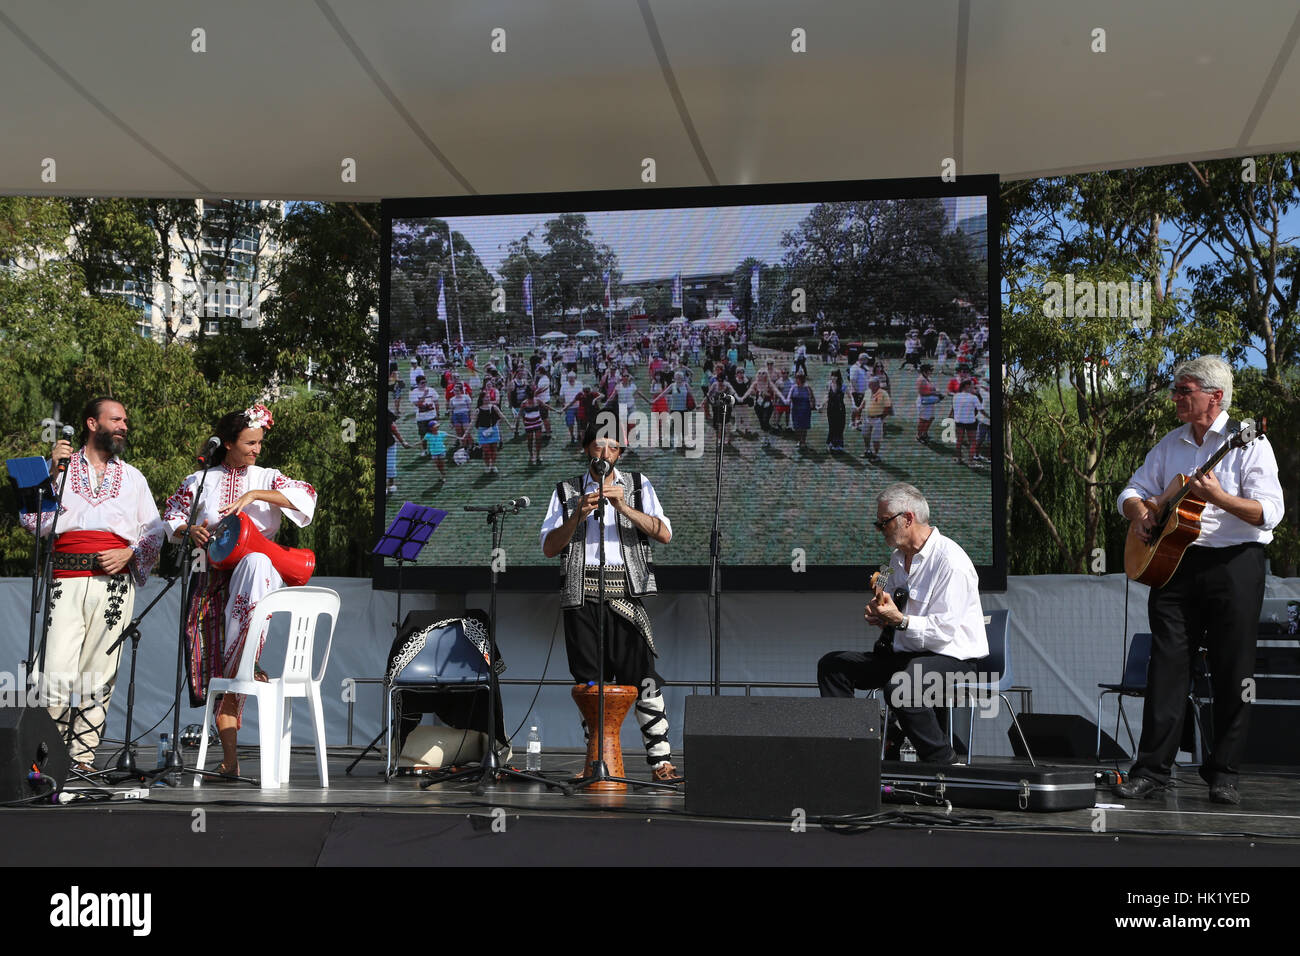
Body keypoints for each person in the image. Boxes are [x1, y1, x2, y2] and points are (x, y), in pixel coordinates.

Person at [1112, 356, 1284, 805]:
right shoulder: (1170, 444)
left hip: (1235, 564)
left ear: (1215, 396)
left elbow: (1271, 513)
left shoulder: (1250, 445)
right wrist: (1142, 513)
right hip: (1174, 563)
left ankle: (1223, 772)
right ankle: (1152, 770)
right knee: (1166, 667)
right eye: (1176, 390)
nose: (1175, 398)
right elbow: (1130, 491)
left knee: (1232, 671)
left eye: (1184, 391)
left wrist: (1219, 498)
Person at [161, 404, 317, 778]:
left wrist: (255, 496)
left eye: (260, 442)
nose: (256, 450)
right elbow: (171, 516)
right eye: (249, 443)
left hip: (257, 578)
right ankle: (229, 760)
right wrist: (190, 531)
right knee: (218, 671)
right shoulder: (201, 479)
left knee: (257, 563)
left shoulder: (268, 477)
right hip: (211, 580)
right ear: (228, 443)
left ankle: (249, 656)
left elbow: (307, 496)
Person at [24, 398, 164, 771]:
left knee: (98, 676)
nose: (124, 426)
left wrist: (131, 554)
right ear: (91, 422)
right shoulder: (60, 471)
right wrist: (48, 472)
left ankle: (82, 760)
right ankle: (44, 761)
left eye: (125, 420)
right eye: (116, 419)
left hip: (114, 583)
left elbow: (155, 531)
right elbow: (33, 524)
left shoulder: (133, 477)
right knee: (52, 672)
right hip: (66, 579)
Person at [539, 424, 681, 783]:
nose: (604, 453)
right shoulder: (566, 490)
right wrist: (577, 516)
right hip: (581, 597)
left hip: (625, 594)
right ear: (587, 449)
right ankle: (596, 762)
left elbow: (664, 533)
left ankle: (660, 761)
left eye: (611, 447)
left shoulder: (638, 484)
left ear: (620, 452)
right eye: (598, 446)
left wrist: (623, 506)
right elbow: (549, 547)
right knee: (591, 684)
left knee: (645, 680)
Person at [818, 483, 988, 764]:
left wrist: (900, 620)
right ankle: (851, 756)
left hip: (952, 658)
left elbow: (943, 632)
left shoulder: (952, 562)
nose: (879, 528)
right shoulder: (895, 559)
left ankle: (944, 764)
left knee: (901, 688)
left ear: (907, 519)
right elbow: (885, 595)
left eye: (883, 522)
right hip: (906, 654)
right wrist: (879, 613)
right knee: (833, 666)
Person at [856, 377, 892, 461]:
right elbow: (863, 403)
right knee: (865, 434)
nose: (869, 386)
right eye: (869, 385)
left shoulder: (884, 394)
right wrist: (859, 410)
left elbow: (888, 407)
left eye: (870, 385)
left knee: (876, 438)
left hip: (877, 419)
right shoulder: (868, 392)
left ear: (877, 385)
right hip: (867, 417)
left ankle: (876, 455)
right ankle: (867, 450)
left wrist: (881, 418)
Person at [951, 379, 982, 466]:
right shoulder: (974, 397)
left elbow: (954, 408)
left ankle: (959, 459)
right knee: (972, 442)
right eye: (972, 385)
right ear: (967, 386)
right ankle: (971, 462)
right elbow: (980, 409)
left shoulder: (956, 396)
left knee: (959, 441)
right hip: (970, 422)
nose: (974, 387)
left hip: (959, 422)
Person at [474, 391, 504, 474]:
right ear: (482, 398)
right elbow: (472, 423)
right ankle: (487, 466)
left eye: (488, 397)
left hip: (493, 430)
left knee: (494, 449)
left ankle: (493, 465)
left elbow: (502, 416)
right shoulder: (478, 410)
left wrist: (510, 425)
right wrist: (465, 434)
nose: (488, 398)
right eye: (486, 397)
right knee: (486, 451)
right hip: (483, 431)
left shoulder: (494, 407)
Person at [788, 371, 816, 453]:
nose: (798, 380)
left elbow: (812, 397)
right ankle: (799, 440)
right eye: (797, 378)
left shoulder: (807, 388)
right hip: (795, 409)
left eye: (800, 378)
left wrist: (813, 405)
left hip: (805, 410)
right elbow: (789, 398)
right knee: (796, 426)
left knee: (804, 426)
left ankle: (803, 441)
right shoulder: (793, 387)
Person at [824, 369, 847, 452]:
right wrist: (822, 405)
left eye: (835, 375)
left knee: (840, 426)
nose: (833, 377)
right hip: (830, 408)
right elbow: (826, 396)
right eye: (832, 375)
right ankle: (831, 443)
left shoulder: (843, 386)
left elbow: (849, 395)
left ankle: (839, 444)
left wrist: (854, 405)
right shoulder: (828, 384)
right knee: (832, 426)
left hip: (840, 408)